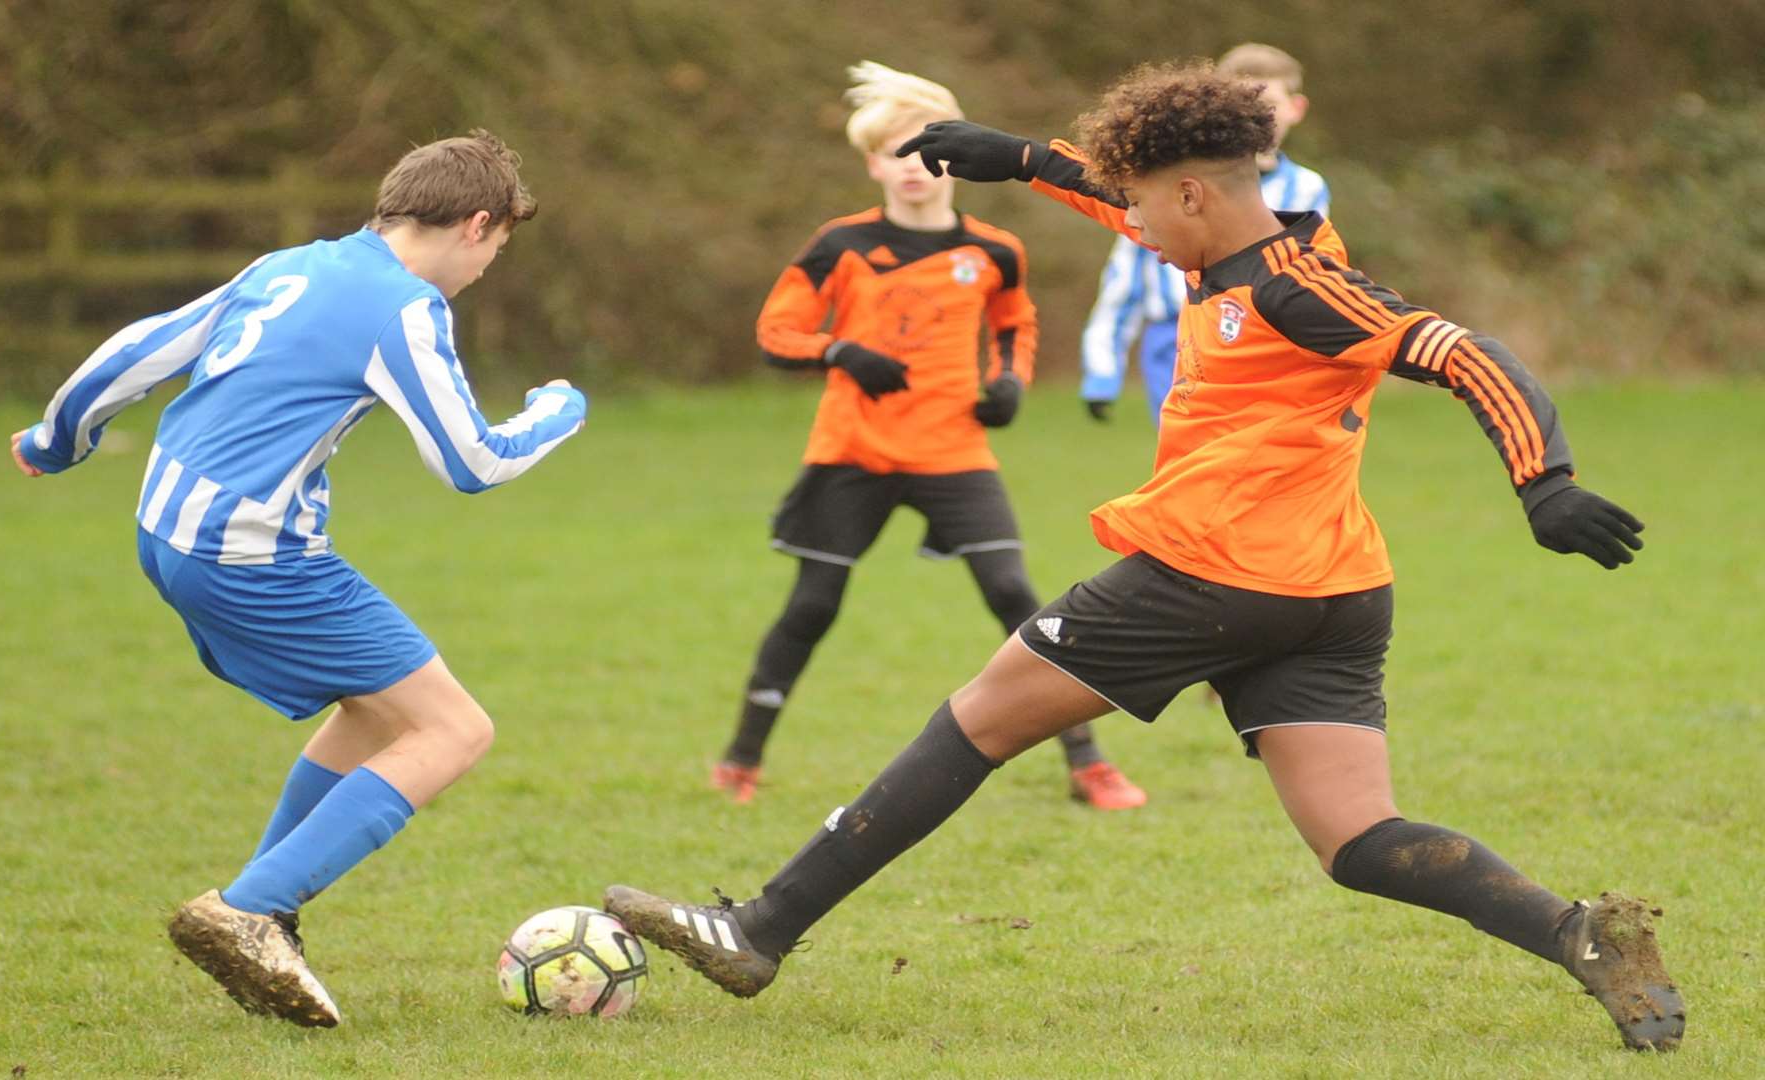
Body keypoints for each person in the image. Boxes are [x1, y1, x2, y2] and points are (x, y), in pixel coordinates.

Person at [606, 63, 1684, 1052]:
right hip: (1332, 592)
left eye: (1145, 205)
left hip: (1208, 577)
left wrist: (1544, 478)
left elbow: (1458, 350)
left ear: (1195, 197)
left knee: (976, 721)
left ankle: (759, 929)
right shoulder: (1248, 242)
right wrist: (1024, 159)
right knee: (1358, 837)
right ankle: (1578, 936)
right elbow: (1129, 205)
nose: (1134, 224)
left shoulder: (1295, 288)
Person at [8, 129, 587, 1028]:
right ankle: (246, 912)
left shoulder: (290, 265)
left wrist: (57, 439)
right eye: (498, 251)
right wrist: (557, 411)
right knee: (454, 731)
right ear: (477, 225)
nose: (486, 272)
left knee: (373, 708)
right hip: (255, 554)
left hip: (166, 534)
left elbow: (141, 348)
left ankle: (267, 913)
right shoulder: (405, 309)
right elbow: (471, 462)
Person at [711, 61, 1143, 810]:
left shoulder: (995, 251)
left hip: (953, 451)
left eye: (921, 147)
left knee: (1013, 591)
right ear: (870, 163)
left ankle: (1088, 765)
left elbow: (1015, 326)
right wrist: (839, 351)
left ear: (949, 157)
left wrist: (1011, 381)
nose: (908, 165)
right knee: (813, 604)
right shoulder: (838, 245)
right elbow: (776, 332)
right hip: (852, 448)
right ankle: (740, 762)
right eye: (890, 151)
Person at [1081, 43, 1329, 426]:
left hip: (1261, 336)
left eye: (1270, 103)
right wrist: (1102, 368)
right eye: (1245, 102)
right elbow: (1125, 279)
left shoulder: (1308, 189)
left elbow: (1314, 270)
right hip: (1174, 335)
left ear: (1297, 108)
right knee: (1192, 448)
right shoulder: (1164, 183)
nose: (1259, 115)